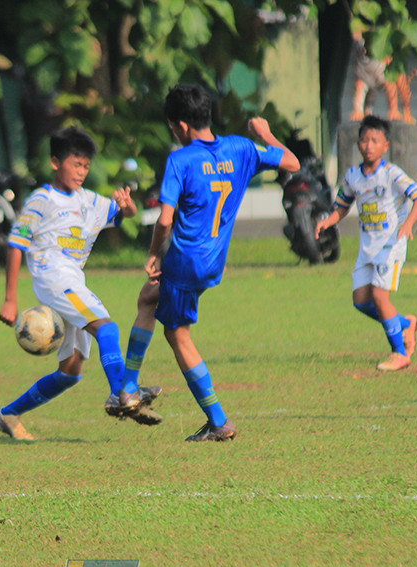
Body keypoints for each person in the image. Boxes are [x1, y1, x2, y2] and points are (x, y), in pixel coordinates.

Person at [119, 84, 300, 442]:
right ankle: (128, 388)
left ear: (182, 126)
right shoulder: (241, 147)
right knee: (148, 299)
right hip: (214, 260)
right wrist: (265, 134)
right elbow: (291, 162)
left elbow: (166, 219)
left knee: (177, 334)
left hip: (186, 259)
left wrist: (155, 252)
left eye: (173, 127)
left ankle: (218, 421)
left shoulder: (180, 160)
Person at [0, 126, 161, 441]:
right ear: (56, 162)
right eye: (75, 164)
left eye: (85, 165)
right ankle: (124, 393)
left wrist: (127, 207)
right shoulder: (42, 200)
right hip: (54, 278)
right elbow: (16, 244)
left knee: (70, 372)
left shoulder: (90, 201)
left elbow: (125, 214)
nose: (81, 172)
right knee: (107, 328)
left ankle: (8, 414)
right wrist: (10, 299)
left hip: (72, 278)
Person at [314, 114, 417, 371]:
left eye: (375, 141)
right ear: (358, 144)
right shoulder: (352, 176)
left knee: (379, 296)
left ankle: (399, 353)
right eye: (364, 140)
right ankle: (406, 324)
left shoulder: (391, 174)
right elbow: (341, 205)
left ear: (386, 145)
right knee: (361, 301)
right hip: (367, 247)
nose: (368, 145)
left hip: (391, 245)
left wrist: (408, 224)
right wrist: (328, 221)